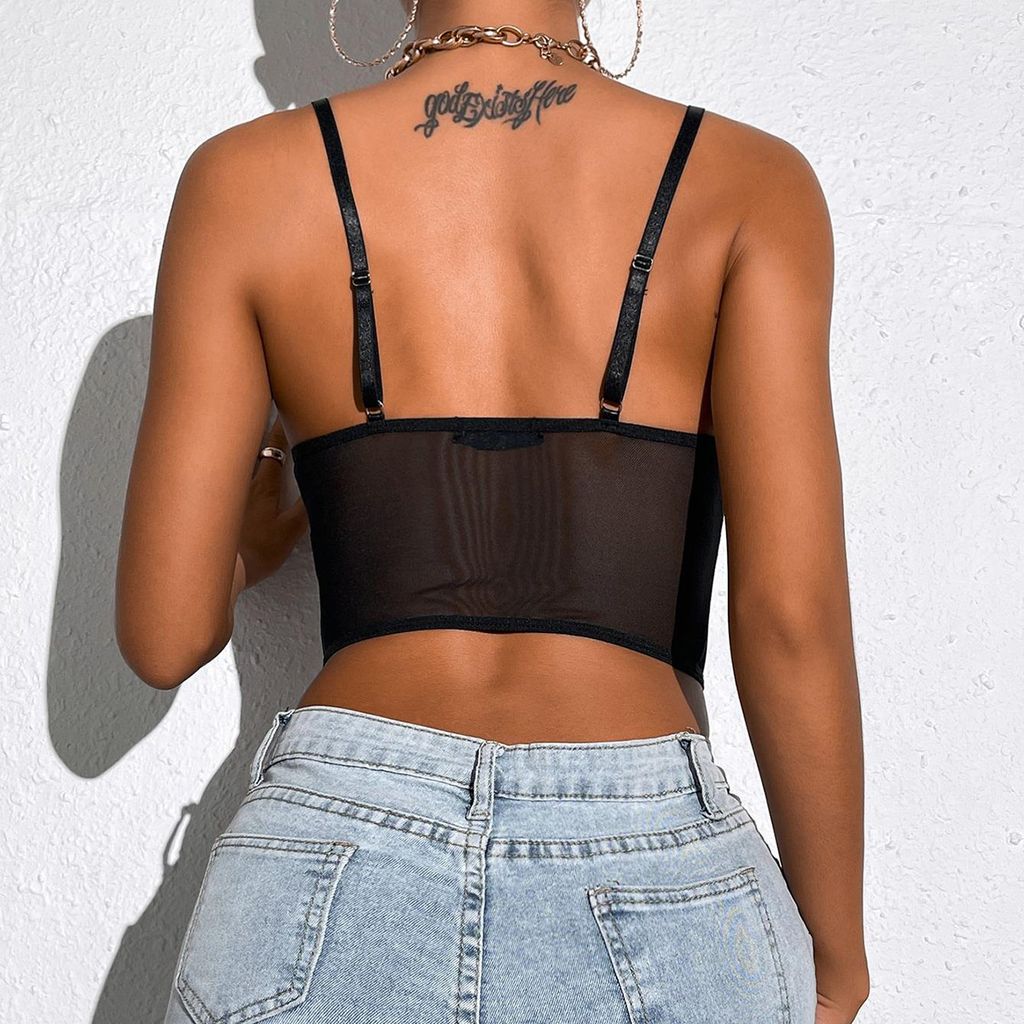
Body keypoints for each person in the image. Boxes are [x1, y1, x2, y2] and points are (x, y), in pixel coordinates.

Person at [116, 1, 869, 1021]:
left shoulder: (242, 181)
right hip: (652, 860)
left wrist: (255, 539)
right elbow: (789, 617)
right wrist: (836, 956)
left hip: (330, 849)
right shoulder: (747, 183)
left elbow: (162, 638)